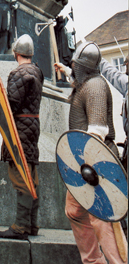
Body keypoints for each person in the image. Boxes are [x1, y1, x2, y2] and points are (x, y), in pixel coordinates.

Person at [54, 41, 127, 264]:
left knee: (102, 219)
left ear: (83, 67)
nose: (73, 67)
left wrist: (88, 167)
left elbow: (97, 131)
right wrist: (66, 72)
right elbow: (80, 85)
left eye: (75, 66)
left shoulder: (95, 87)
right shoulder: (86, 83)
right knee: (74, 211)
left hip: (97, 163)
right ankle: (93, 261)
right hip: (82, 163)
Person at [0, 34, 44, 240]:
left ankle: (21, 225)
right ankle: (33, 223)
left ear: (16, 53)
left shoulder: (18, 73)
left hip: (20, 128)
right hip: (33, 126)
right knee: (32, 174)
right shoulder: (38, 72)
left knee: (20, 174)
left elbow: (11, 105)